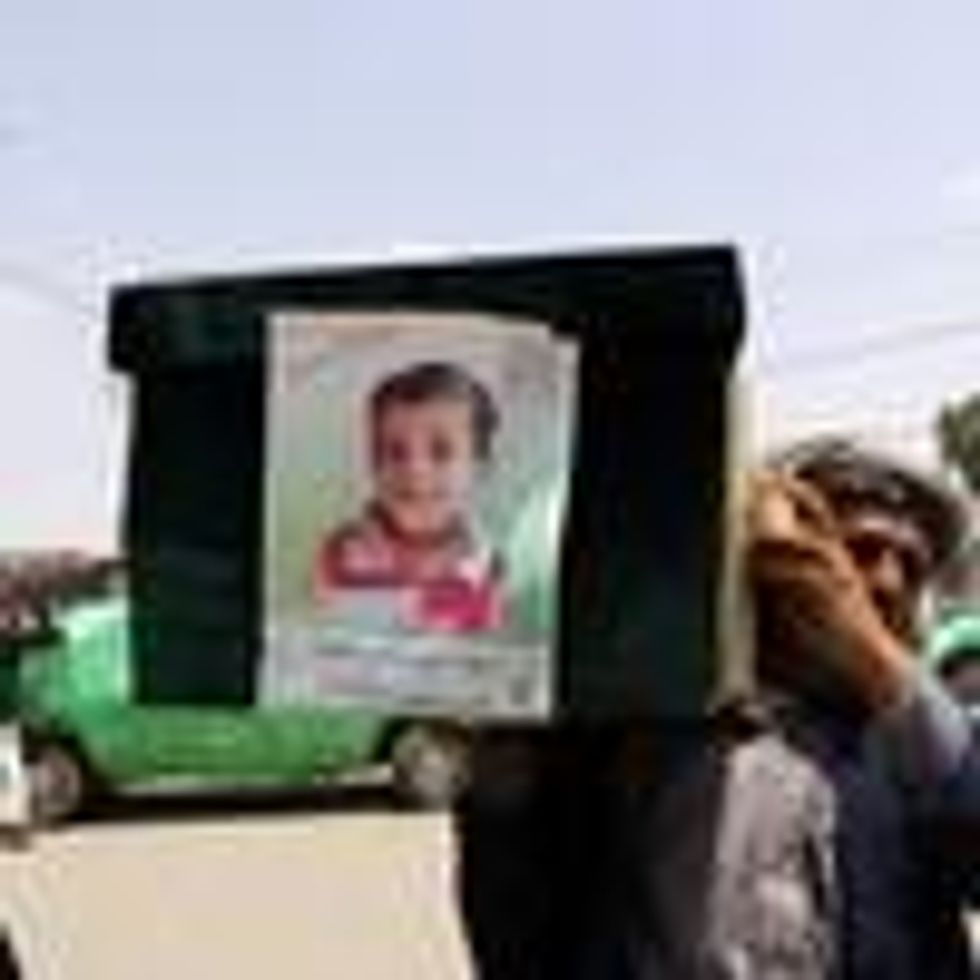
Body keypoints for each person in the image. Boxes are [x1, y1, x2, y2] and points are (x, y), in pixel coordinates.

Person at [452, 436, 979, 979]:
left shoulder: (916, 751)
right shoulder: (654, 725)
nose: (888, 581)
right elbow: (516, 934)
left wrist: (873, 658)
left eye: (911, 568)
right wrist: (501, 749)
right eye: (863, 551)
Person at [312, 360, 503, 634]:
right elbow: (325, 617)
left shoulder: (483, 561)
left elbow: (485, 625)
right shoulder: (341, 550)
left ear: (480, 467)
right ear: (373, 463)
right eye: (396, 452)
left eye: (442, 452)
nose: (415, 470)